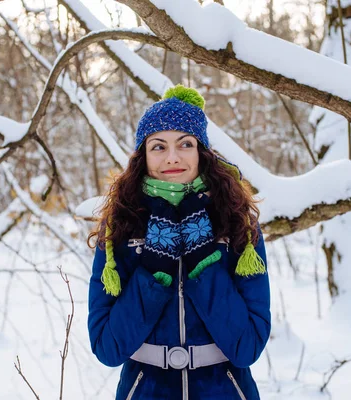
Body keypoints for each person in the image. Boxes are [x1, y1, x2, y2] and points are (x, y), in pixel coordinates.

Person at [87, 85, 270, 400]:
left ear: (201, 151)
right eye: (158, 146)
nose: (172, 157)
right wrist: (154, 273)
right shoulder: (121, 225)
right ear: (143, 156)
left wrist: (203, 263)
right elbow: (107, 347)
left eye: (185, 143)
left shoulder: (237, 220)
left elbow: (247, 345)